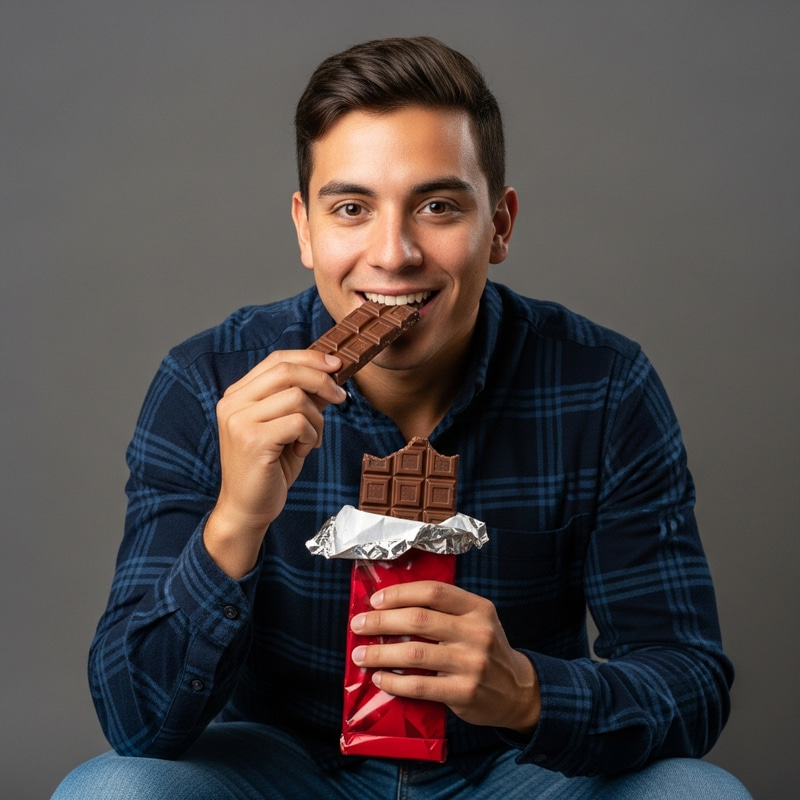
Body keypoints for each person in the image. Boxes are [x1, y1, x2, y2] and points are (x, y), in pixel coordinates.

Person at [53, 36, 751, 799]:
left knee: (697, 793)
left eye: (438, 206)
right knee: (112, 791)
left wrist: (526, 692)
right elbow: (136, 724)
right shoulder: (209, 384)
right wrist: (235, 522)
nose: (393, 254)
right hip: (290, 771)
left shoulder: (603, 385)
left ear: (500, 225)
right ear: (305, 228)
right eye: (352, 208)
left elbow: (689, 678)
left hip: (516, 773)